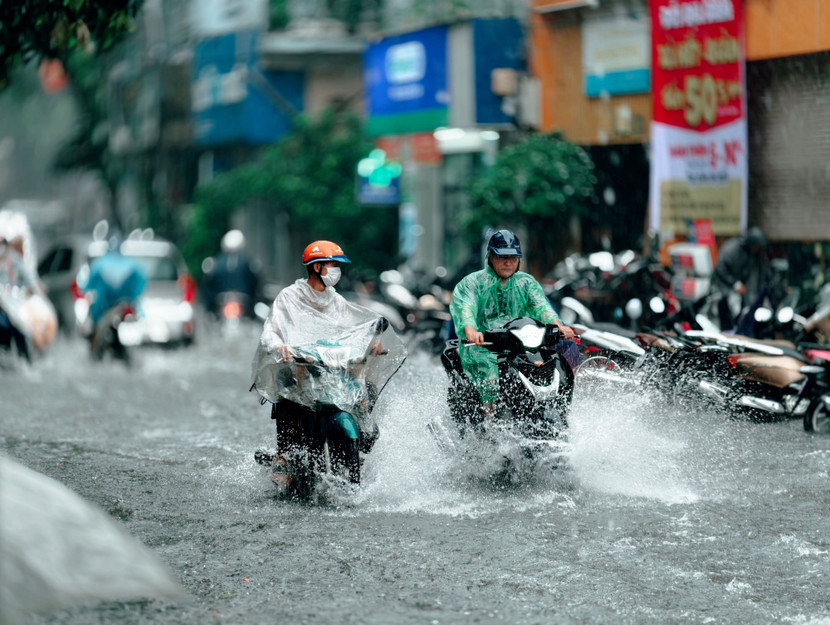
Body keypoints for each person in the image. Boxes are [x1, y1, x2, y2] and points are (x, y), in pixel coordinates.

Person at [252, 240, 405, 488]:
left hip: (329, 372)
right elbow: (271, 331)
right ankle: (284, 454)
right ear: (317, 267)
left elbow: (356, 326)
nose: (337, 270)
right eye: (333, 264)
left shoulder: (336, 301)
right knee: (286, 389)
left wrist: (372, 341)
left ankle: (359, 447)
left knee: (365, 392)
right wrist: (280, 346)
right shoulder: (289, 298)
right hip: (300, 369)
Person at [449, 229, 577, 417]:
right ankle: (489, 422)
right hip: (483, 347)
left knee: (555, 365)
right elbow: (466, 307)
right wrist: (471, 330)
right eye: (502, 257)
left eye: (512, 257)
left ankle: (561, 415)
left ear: (518, 259)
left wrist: (557, 325)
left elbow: (541, 306)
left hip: (521, 345)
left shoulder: (526, 282)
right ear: (491, 257)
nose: (508, 262)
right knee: (491, 379)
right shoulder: (473, 283)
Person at [81, 235, 146, 356]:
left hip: (108, 308)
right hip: (126, 307)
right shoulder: (133, 264)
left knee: (97, 327)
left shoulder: (99, 264)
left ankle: (97, 352)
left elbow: (87, 287)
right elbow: (141, 285)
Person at [712, 226, 772, 331]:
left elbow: (762, 273)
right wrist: (735, 284)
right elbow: (720, 269)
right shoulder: (732, 249)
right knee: (726, 320)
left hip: (742, 294)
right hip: (724, 289)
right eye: (757, 247)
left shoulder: (754, 254)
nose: (757, 250)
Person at [202, 229, 260, 318]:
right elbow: (255, 283)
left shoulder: (216, 262)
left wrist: (210, 309)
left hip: (222, 304)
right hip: (243, 304)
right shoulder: (247, 262)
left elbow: (209, 285)